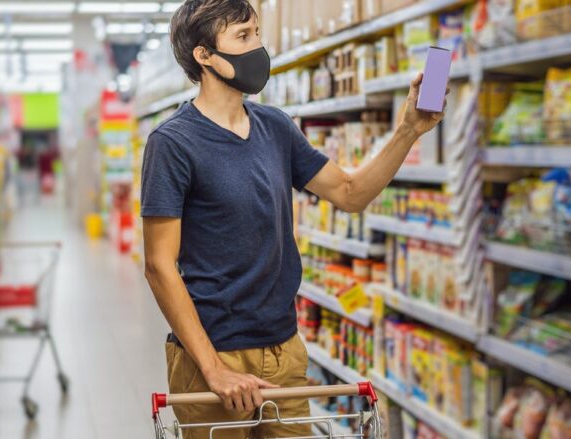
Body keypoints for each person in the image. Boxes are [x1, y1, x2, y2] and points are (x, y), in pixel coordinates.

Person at [141, 0, 446, 437]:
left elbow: (350, 192)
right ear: (203, 55)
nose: (259, 48)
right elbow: (159, 265)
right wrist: (213, 369)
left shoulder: (275, 127)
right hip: (214, 354)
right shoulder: (172, 143)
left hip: (284, 347)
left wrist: (408, 130)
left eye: (257, 34)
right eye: (243, 37)